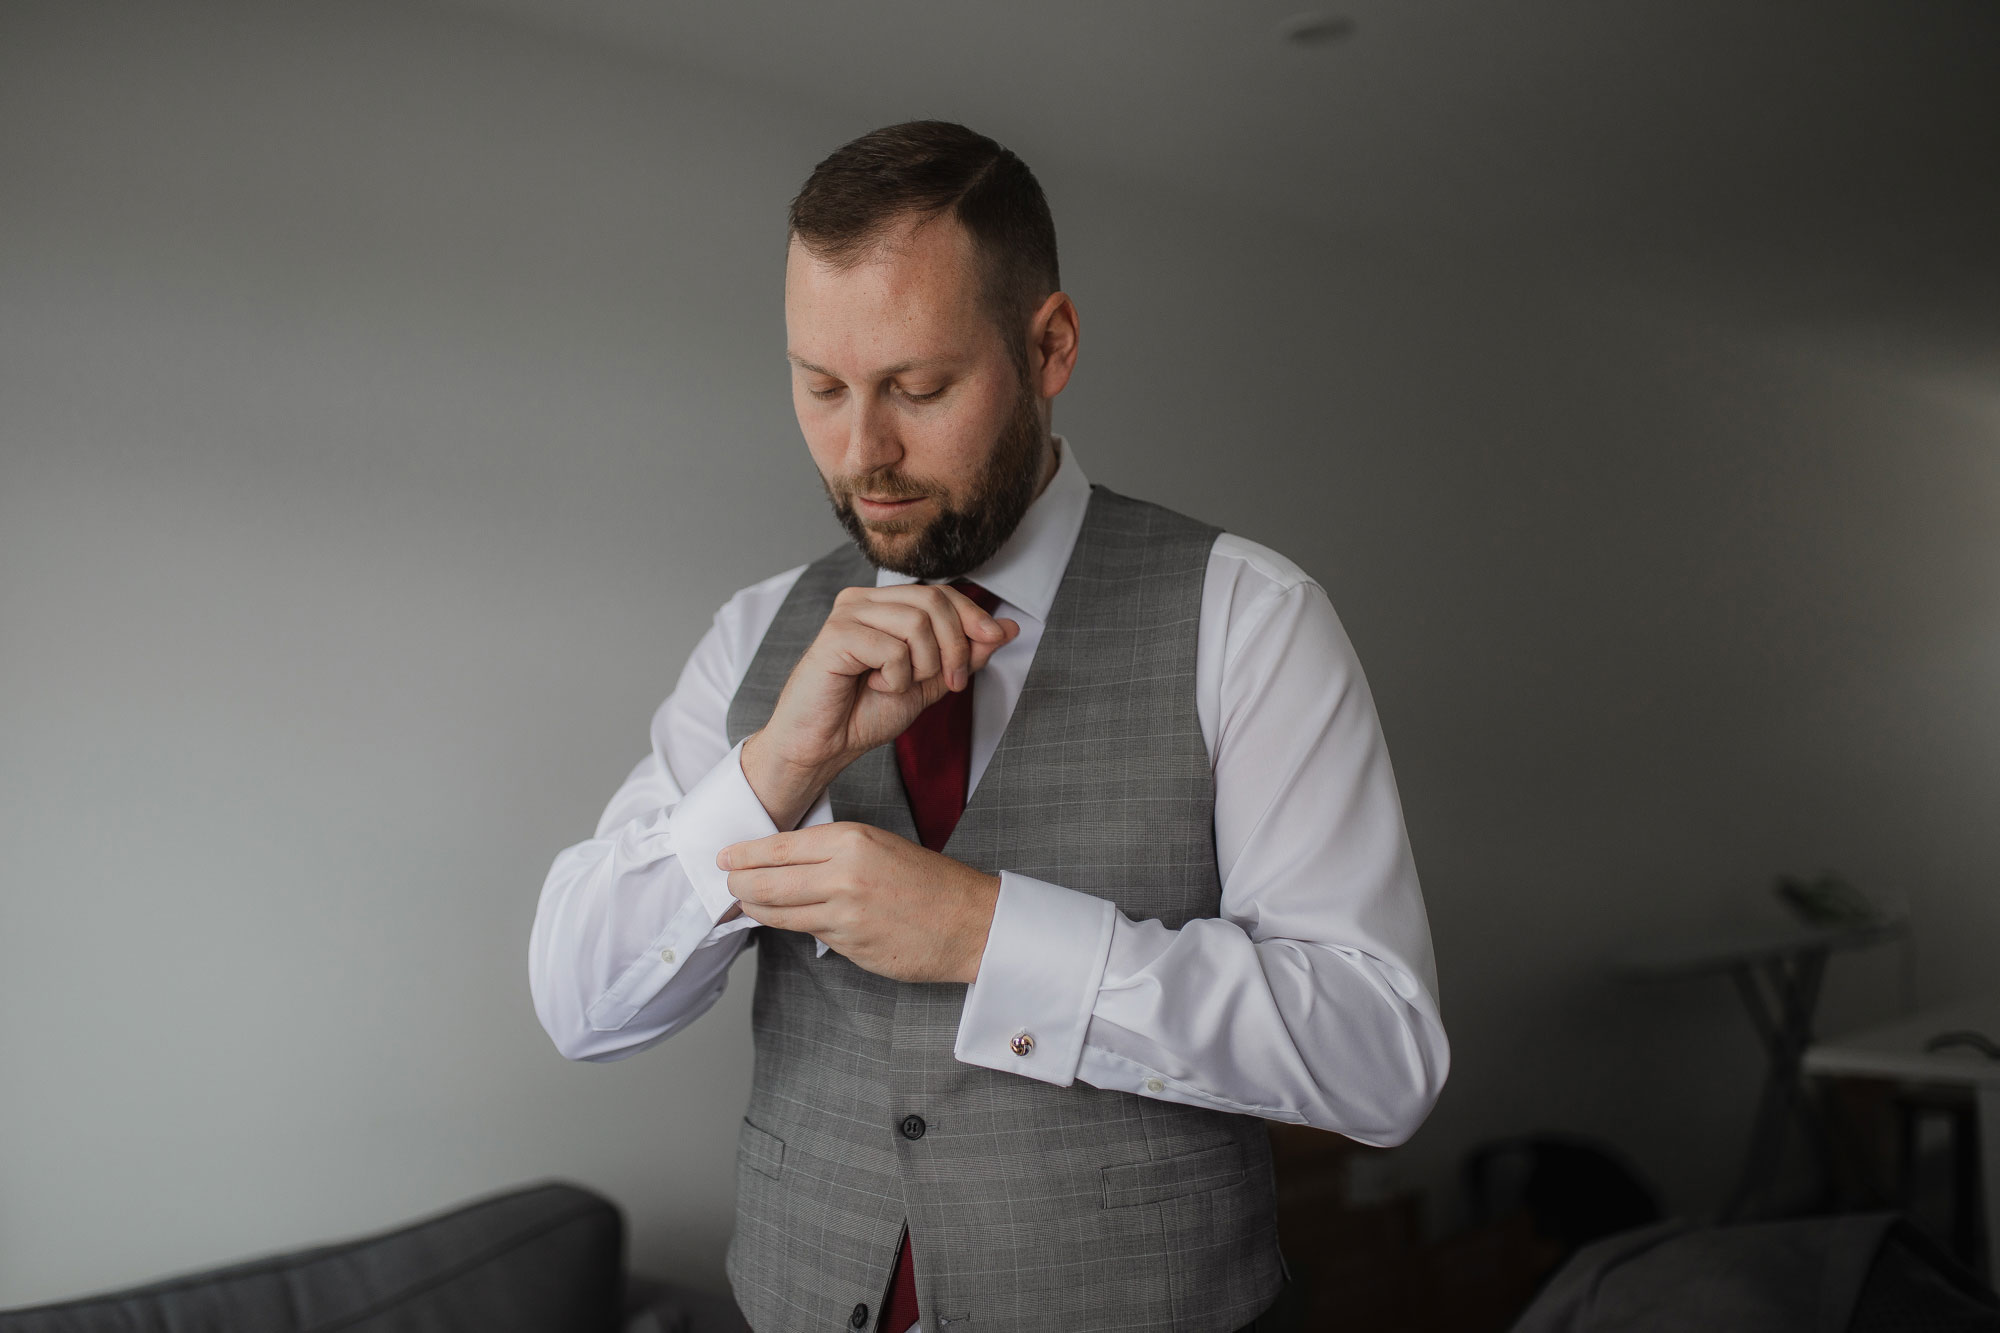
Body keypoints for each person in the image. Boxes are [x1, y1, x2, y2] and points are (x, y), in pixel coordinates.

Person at [529, 120, 1448, 1333]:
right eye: (820, 387)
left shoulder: (1248, 618)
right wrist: (774, 771)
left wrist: (987, 934)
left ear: (1049, 344)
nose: (863, 453)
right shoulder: (756, 633)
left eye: (918, 387)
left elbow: (1378, 1058)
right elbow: (579, 1004)